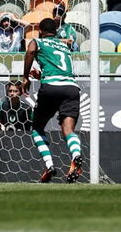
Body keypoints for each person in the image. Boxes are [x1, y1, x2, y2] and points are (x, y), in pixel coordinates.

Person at [22, 17, 84, 183]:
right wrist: (40, 75)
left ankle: (49, 165)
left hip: (51, 87)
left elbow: (30, 51)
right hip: (71, 87)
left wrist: (25, 77)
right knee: (68, 129)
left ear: (40, 31)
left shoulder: (38, 41)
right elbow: (58, 67)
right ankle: (76, 155)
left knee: (37, 127)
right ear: (55, 32)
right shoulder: (64, 45)